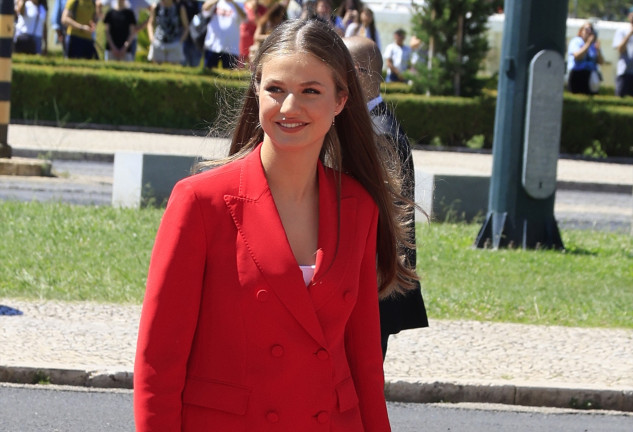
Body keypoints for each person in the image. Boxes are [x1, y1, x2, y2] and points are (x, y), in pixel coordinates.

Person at [134, 18, 417, 431]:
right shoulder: (199, 202)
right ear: (256, 90)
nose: (289, 107)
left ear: (340, 100)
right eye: (275, 89)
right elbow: (158, 366)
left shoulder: (359, 205)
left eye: (310, 92)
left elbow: (366, 368)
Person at [344, 35, 428, 359]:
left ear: (359, 73)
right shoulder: (374, 125)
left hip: (373, 286)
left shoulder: (379, 134)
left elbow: (381, 221)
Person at [201, 0, 246, 70]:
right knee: (209, 71)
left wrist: (233, 3)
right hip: (213, 46)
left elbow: (245, 17)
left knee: (229, 77)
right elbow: (205, 9)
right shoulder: (216, 2)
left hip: (231, 48)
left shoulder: (239, 4)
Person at [567, 21, 604, 95]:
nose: (589, 32)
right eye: (587, 29)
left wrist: (598, 50)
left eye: (591, 29)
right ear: (581, 31)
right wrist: (588, 44)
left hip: (591, 76)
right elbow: (577, 57)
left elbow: (601, 62)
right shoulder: (576, 41)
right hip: (577, 75)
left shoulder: (594, 44)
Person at [147, 0, 189, 64]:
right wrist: (151, 38)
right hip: (158, 42)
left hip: (174, 42)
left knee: (174, 70)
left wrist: (180, 41)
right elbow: (150, 23)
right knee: (156, 68)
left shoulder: (179, 7)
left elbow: (186, 26)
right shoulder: (156, 6)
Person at [612, 7, 633, 97]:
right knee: (621, 98)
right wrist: (630, 34)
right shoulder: (622, 30)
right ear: (629, 15)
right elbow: (620, 49)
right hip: (624, 72)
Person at [239, 0, 267, 64]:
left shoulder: (263, 9)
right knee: (242, 56)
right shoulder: (243, 6)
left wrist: (255, 10)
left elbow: (261, 23)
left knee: (252, 57)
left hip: (255, 36)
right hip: (244, 35)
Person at [180, 0, 204, 66]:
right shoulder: (181, 3)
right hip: (183, 39)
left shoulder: (200, 3)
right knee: (181, 65)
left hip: (197, 40)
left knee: (195, 66)